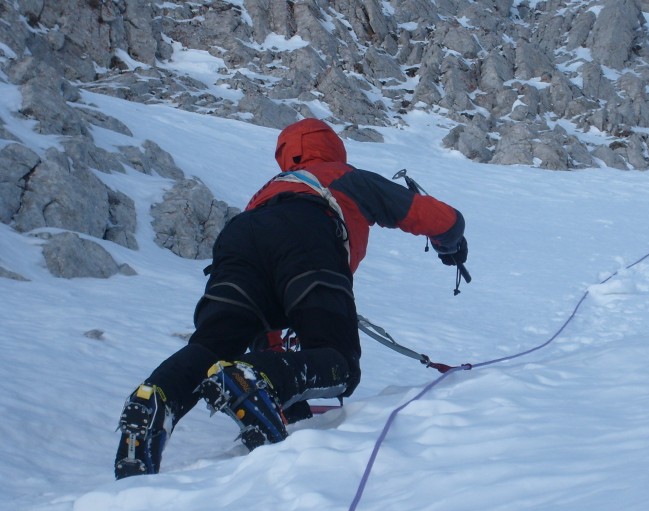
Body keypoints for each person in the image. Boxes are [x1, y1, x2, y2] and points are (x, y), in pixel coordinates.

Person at [114, 118, 468, 479]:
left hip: (238, 240)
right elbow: (437, 217)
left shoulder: (265, 192)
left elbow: (267, 326)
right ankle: (256, 379)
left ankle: (156, 397)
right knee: (340, 361)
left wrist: (277, 382)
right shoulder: (341, 175)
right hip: (307, 236)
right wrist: (450, 242)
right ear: (332, 147)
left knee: (214, 345)